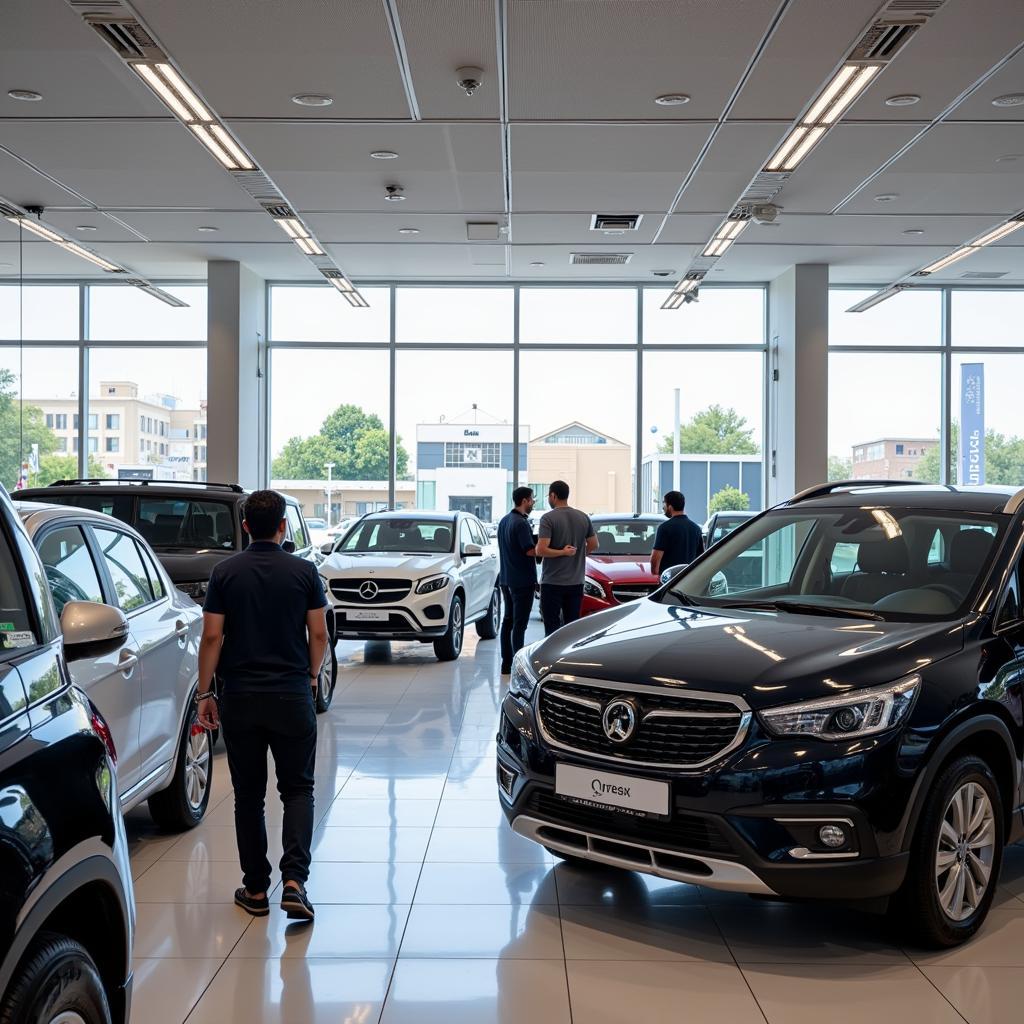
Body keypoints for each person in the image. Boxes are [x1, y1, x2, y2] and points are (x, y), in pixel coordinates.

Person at [195, 489, 329, 923]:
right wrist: (310, 675)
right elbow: (320, 635)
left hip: (241, 697)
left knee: (248, 796)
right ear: (284, 525)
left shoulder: (225, 572)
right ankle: (294, 882)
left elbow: (212, 637)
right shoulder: (305, 572)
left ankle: (255, 888)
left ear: (246, 526)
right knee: (298, 790)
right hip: (291, 694)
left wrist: (204, 693)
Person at [536, 480, 597, 636]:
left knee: (551, 628)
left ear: (553, 495)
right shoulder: (583, 517)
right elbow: (594, 544)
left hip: (552, 582)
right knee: (571, 629)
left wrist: (563, 553)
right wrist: (578, 555)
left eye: (549, 496)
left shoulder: (548, 518)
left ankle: (551, 660)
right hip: (576, 582)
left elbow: (541, 550)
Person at [496, 486, 537, 674]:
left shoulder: (505, 521)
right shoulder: (521, 523)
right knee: (520, 625)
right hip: (522, 580)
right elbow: (530, 550)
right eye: (531, 499)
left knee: (508, 622)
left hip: (506, 578)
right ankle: (518, 666)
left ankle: (506, 663)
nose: (533, 502)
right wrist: (550, 549)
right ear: (524, 501)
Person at [650, 490, 704, 578]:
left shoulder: (664, 528)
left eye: (664, 504)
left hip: (669, 581)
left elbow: (656, 557)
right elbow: (701, 557)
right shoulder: (696, 528)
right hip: (689, 579)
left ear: (670, 507)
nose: (663, 508)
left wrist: (656, 573)